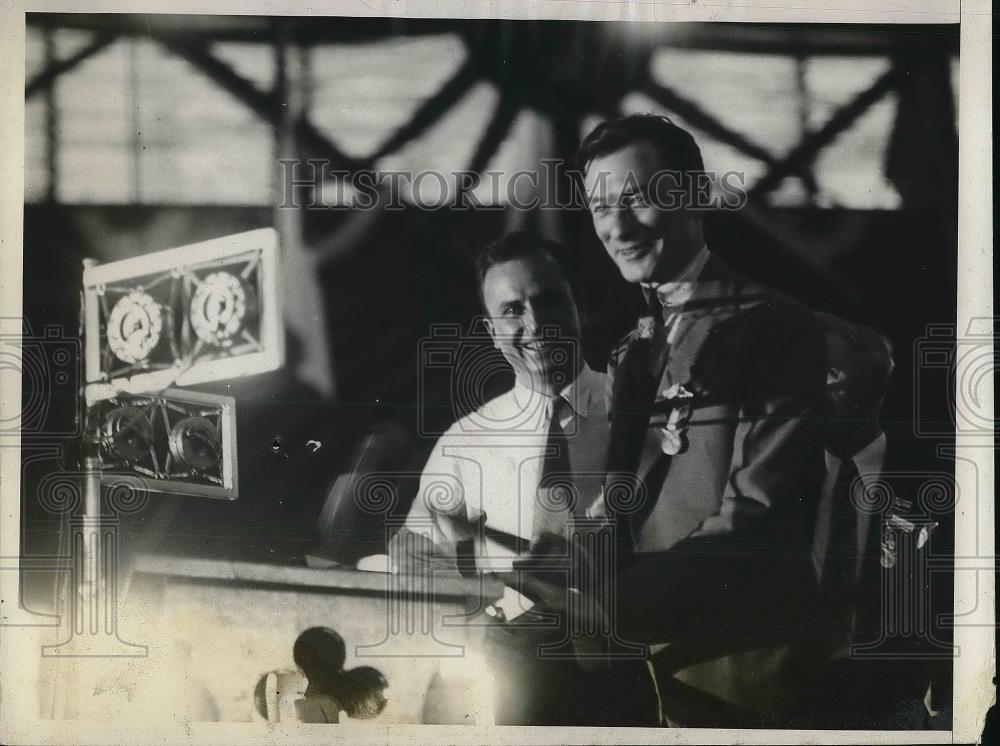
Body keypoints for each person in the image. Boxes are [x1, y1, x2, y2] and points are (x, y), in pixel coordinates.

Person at [577, 114, 829, 726]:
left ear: (694, 196)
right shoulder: (632, 346)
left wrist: (606, 609)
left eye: (636, 198)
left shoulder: (774, 325)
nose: (615, 225)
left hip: (736, 674)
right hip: (642, 672)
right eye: (600, 206)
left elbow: (753, 517)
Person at [391, 231, 656, 725]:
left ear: (578, 305)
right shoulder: (465, 440)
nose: (536, 323)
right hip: (515, 685)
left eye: (549, 299)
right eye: (512, 309)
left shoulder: (641, 418)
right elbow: (413, 556)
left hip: (636, 674)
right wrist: (474, 597)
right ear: (492, 331)